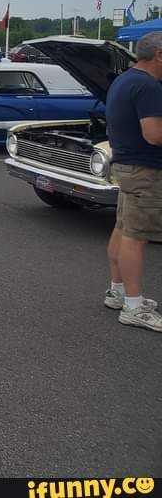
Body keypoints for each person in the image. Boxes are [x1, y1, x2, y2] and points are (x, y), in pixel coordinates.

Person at [104, 31, 162, 333]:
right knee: (136, 237)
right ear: (159, 55)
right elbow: (154, 135)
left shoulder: (124, 80)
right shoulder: (149, 86)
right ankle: (134, 306)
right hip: (146, 170)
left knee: (124, 228)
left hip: (125, 165)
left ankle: (118, 291)